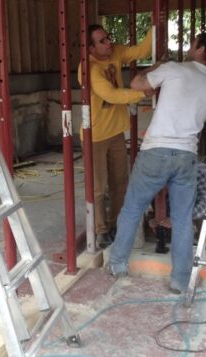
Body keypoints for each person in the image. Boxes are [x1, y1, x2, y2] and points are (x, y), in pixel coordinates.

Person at [108, 32, 206, 294]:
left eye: (193, 43)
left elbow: (138, 83)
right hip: (187, 156)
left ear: (201, 48)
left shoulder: (174, 69)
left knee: (132, 209)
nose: (189, 46)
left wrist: (157, 65)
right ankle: (180, 280)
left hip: (156, 151)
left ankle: (117, 264)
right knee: (182, 219)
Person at [78, 24, 153, 248]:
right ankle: (101, 230)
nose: (109, 43)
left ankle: (117, 223)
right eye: (102, 41)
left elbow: (141, 51)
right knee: (98, 187)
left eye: (108, 38)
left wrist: (155, 25)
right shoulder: (89, 69)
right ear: (91, 48)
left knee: (120, 182)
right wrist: (142, 93)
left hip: (116, 133)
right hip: (96, 136)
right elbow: (110, 94)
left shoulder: (115, 52)